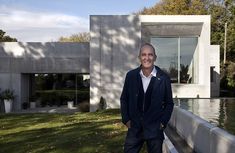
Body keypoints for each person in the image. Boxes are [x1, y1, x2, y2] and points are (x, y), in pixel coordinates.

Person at [120, 43, 174, 153]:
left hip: (155, 130)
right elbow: (124, 99)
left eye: (150, 55)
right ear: (139, 57)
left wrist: (162, 122)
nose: (147, 58)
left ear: (155, 57)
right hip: (134, 128)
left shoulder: (163, 78)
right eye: (144, 55)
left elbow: (169, 103)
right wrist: (126, 120)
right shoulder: (131, 76)